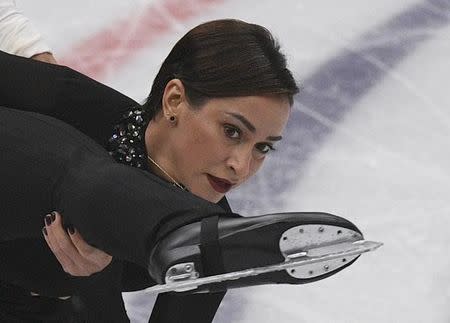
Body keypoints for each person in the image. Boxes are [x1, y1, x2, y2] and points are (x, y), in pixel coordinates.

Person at [0, 7, 361, 322]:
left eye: (263, 148)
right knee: (68, 161)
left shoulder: (212, 247)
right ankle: (156, 223)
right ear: (174, 100)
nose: (241, 166)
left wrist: (97, 283)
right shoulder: (62, 97)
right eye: (232, 132)